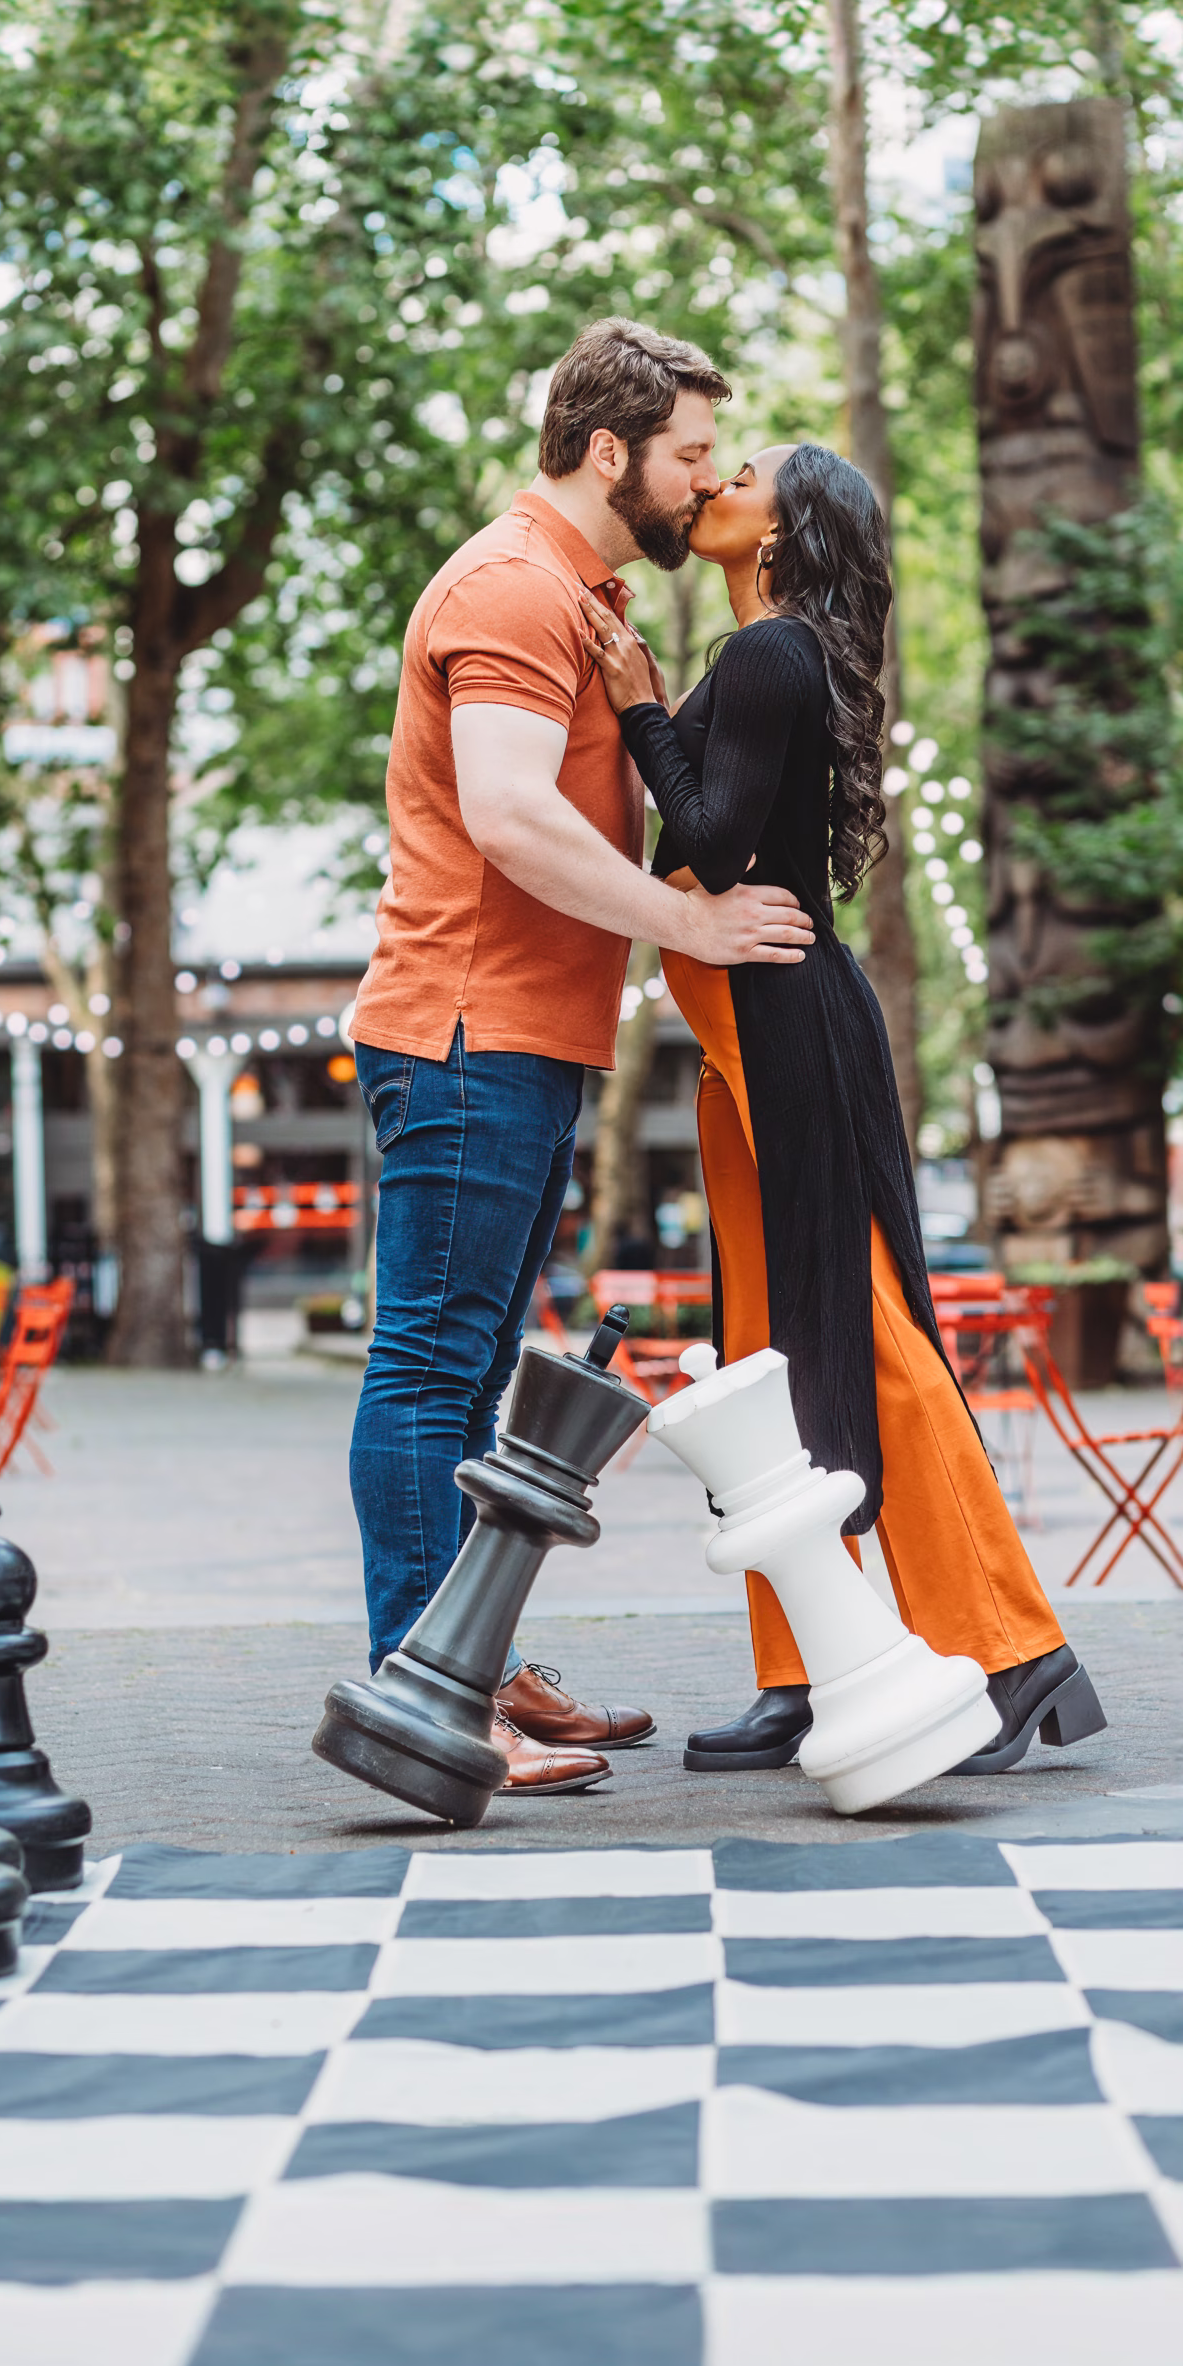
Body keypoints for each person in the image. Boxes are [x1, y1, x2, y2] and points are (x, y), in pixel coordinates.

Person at [581, 441, 1107, 1775]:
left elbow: (705, 842)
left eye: (743, 471)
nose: (715, 479)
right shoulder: (766, 650)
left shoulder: (770, 657)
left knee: (864, 1337)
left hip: (782, 1021)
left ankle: (1009, 1647)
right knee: (761, 1360)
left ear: (783, 530)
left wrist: (641, 708)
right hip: (734, 1032)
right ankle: (808, 1665)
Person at [347, 320, 817, 1794]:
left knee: (476, 1370)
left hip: (525, 1042)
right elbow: (505, 811)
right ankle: (429, 1700)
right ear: (608, 451)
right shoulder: (509, 586)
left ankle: (468, 1666)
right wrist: (684, 916)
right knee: (430, 1369)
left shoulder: (583, 594)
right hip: (463, 1031)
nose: (700, 484)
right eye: (686, 455)